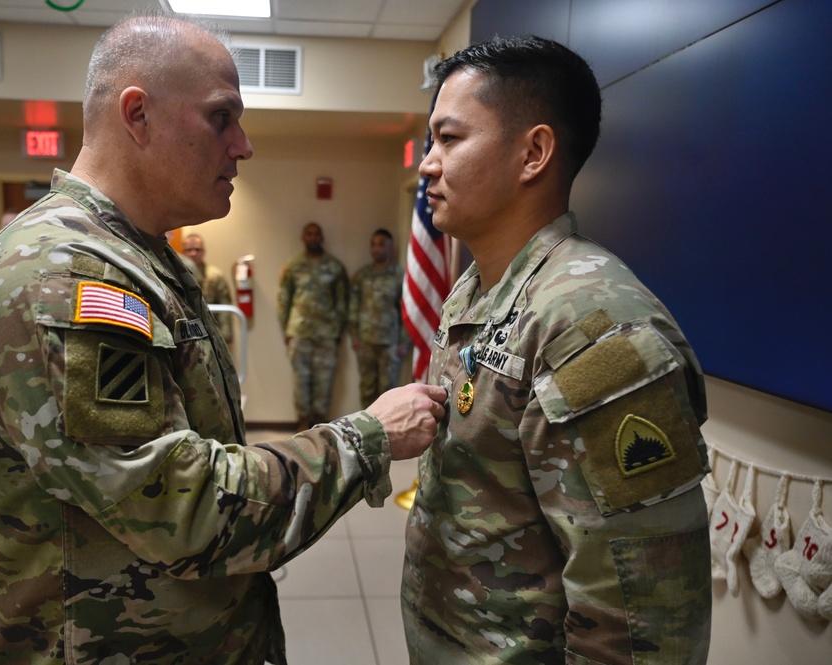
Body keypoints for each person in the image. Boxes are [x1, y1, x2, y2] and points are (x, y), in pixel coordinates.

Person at [0, 13, 446, 665]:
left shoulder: (140, 257)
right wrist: (368, 436)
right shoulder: (64, 275)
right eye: (221, 117)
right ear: (138, 116)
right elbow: (186, 509)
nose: (243, 145)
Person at [401, 35, 712, 664]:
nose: (427, 165)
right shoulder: (478, 288)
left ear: (533, 153)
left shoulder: (593, 326)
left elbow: (642, 617)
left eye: (449, 139)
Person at [277, 221, 349, 430]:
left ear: (322, 238)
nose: (313, 237)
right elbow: (284, 299)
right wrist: (286, 329)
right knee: (301, 380)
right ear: (303, 237)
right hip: (299, 332)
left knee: (324, 381)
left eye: (317, 234)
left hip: (327, 334)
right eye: (309, 233)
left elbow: (342, 301)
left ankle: (319, 423)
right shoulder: (293, 266)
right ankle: (303, 421)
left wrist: (337, 330)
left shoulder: (335, 267)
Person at [347, 228, 410, 408]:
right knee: (367, 388)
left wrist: (404, 342)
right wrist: (354, 336)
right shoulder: (362, 275)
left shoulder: (398, 275)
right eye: (373, 245)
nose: (376, 249)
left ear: (390, 247)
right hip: (365, 340)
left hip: (390, 342)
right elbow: (353, 306)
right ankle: (365, 424)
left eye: (381, 244)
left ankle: (386, 425)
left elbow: (406, 309)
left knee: (388, 390)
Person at [183, 232, 235, 343]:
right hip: (186, 331)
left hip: (211, 329)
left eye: (197, 249)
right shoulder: (175, 275)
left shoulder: (215, 275)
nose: (193, 253)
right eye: (189, 250)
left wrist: (225, 335)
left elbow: (224, 304)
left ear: (203, 252)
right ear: (183, 252)